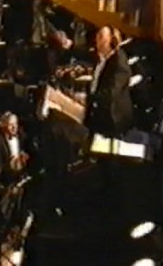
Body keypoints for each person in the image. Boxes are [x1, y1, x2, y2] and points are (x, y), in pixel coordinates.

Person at [39, 26, 134, 216]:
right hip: (98, 116)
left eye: (101, 37)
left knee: (109, 160)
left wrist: (86, 99)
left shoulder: (120, 63)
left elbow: (110, 95)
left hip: (112, 120)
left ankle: (114, 202)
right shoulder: (102, 57)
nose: (96, 41)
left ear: (111, 40)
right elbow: (81, 51)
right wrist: (68, 45)